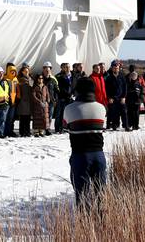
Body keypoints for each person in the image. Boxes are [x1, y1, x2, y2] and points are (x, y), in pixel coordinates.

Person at [62, 78, 107, 206]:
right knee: (101, 196)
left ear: (78, 91)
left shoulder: (69, 108)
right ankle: (102, 223)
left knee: (82, 197)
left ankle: (84, 224)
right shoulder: (101, 108)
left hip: (80, 155)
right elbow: (103, 127)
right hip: (99, 155)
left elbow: (66, 127)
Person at [104, 60, 127, 131]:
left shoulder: (122, 77)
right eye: (114, 67)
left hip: (121, 98)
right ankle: (114, 126)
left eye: (117, 67)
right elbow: (106, 89)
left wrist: (124, 97)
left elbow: (125, 87)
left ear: (119, 68)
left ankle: (126, 126)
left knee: (124, 112)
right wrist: (109, 97)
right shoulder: (109, 78)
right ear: (112, 68)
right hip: (113, 98)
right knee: (114, 113)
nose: (116, 68)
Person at [55, 63, 74, 134]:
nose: (67, 68)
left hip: (71, 98)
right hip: (62, 97)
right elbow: (60, 88)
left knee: (69, 114)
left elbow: (74, 85)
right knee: (60, 114)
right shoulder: (60, 76)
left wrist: (73, 93)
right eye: (66, 67)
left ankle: (67, 127)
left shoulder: (72, 75)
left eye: (69, 67)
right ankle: (58, 128)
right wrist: (67, 94)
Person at [16, 66, 33, 137]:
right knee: (22, 117)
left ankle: (27, 131)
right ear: (22, 72)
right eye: (25, 71)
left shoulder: (31, 80)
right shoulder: (19, 80)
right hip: (22, 101)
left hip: (29, 101)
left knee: (28, 118)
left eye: (27, 71)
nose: (27, 72)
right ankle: (22, 132)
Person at [31, 72, 50, 136]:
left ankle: (41, 130)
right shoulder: (35, 86)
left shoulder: (45, 86)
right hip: (37, 105)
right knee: (37, 118)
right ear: (37, 79)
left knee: (43, 118)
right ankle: (36, 131)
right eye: (39, 78)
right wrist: (39, 102)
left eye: (42, 78)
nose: (41, 79)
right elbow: (33, 96)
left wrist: (47, 101)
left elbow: (47, 94)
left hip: (44, 105)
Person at [4, 64, 19, 137]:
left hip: (14, 102)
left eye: (14, 71)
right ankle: (4, 132)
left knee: (11, 118)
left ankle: (10, 131)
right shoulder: (5, 79)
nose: (13, 73)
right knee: (5, 118)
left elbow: (17, 91)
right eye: (11, 71)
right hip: (7, 102)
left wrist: (17, 100)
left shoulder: (16, 80)